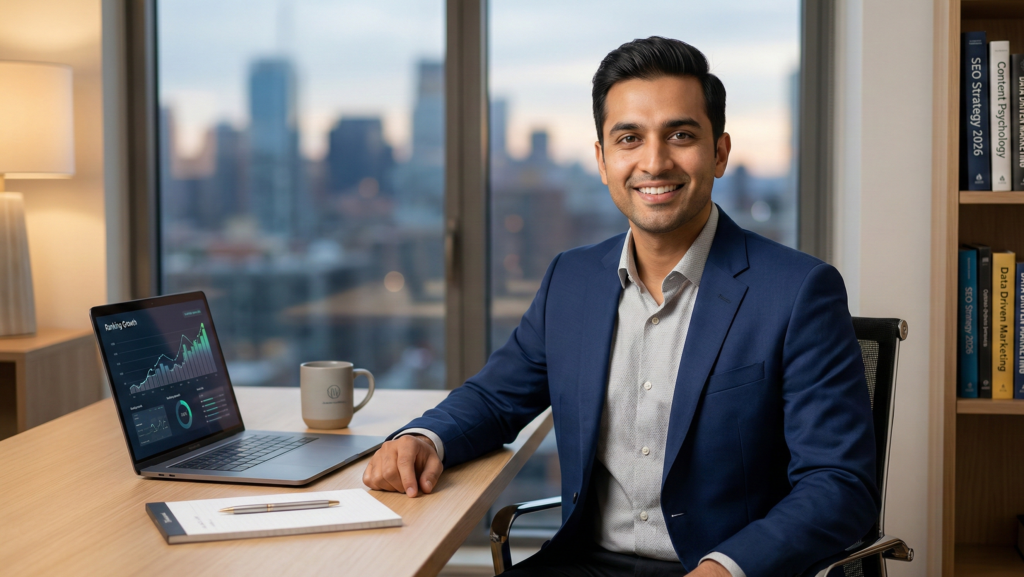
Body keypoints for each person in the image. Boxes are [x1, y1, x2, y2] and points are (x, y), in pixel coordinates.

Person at [362, 36, 878, 577]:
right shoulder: (573, 279)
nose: (654, 162)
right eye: (629, 138)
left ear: (720, 152)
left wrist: (728, 568)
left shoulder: (797, 292)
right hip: (582, 564)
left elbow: (839, 485)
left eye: (681, 135)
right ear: (603, 160)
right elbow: (495, 398)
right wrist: (423, 437)